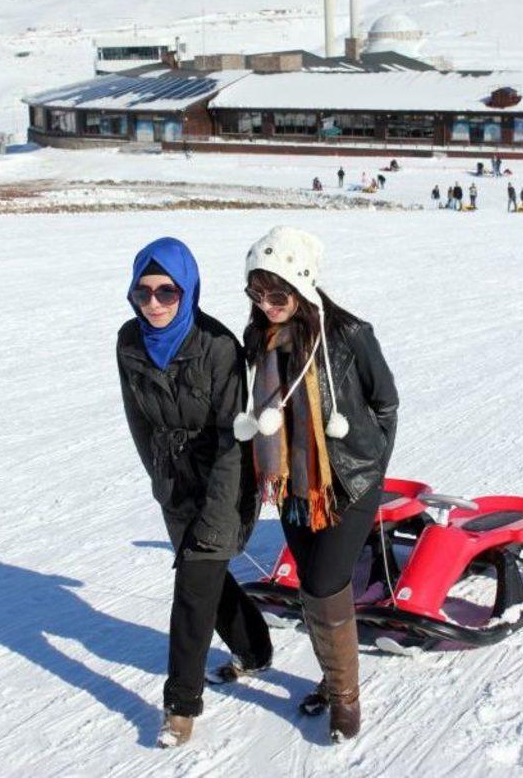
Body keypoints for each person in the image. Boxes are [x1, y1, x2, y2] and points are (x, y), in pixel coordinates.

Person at [233, 227, 398, 742]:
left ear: (301, 286)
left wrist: (367, 465)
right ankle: (331, 678)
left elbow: (386, 403)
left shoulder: (349, 335)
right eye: (256, 294)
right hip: (292, 483)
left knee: (326, 581)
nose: (267, 305)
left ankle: (346, 698)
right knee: (310, 581)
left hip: (347, 482)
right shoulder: (258, 337)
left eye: (276, 293)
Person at [117, 237, 272, 748]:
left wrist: (218, 509)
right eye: (144, 292)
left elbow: (233, 439)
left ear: (188, 290)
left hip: (225, 479)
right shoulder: (129, 342)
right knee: (205, 575)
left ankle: (180, 704)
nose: (155, 303)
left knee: (192, 589)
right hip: (173, 481)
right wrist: (160, 481)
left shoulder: (218, 346)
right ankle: (254, 649)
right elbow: (139, 421)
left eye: (168, 292)